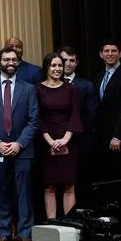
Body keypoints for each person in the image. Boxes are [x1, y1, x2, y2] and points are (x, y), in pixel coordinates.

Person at [0, 45, 38, 241]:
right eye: (6, 60)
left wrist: (19, 143)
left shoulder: (29, 88)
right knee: (1, 193)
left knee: (24, 193)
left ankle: (25, 233)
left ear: (18, 63)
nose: (10, 63)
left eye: (14, 60)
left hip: (23, 151)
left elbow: (33, 120)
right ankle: (4, 232)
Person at [36, 52, 81, 221]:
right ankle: (52, 225)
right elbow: (37, 117)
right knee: (49, 187)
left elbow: (75, 115)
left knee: (69, 185)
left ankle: (70, 226)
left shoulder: (71, 88)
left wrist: (65, 140)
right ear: (47, 67)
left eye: (60, 66)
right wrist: (50, 141)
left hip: (69, 141)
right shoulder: (37, 89)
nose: (57, 69)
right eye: (53, 65)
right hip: (45, 141)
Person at [92, 40, 121, 179]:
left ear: (120, 54)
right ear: (101, 54)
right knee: (107, 174)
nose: (110, 54)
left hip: (119, 138)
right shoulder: (99, 77)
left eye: (114, 51)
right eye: (106, 51)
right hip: (103, 136)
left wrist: (118, 136)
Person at [59, 46, 97, 201]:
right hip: (55, 142)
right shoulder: (49, 85)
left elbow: (92, 116)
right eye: (64, 60)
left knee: (79, 183)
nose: (67, 64)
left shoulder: (87, 86)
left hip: (79, 142)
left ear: (77, 63)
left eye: (71, 60)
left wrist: (71, 133)